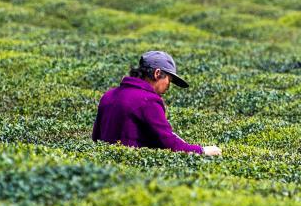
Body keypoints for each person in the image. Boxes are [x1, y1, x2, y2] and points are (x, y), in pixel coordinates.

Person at [92, 51, 221, 156]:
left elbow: (96, 137)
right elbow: (170, 144)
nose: (168, 86)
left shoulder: (108, 95)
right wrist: (203, 151)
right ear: (157, 73)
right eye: (169, 80)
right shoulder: (149, 100)